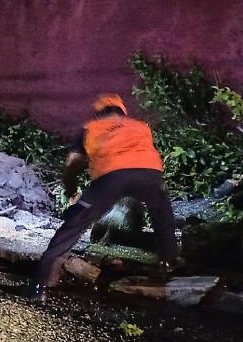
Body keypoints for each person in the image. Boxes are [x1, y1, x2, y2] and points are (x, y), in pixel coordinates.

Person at [24, 93, 181, 301]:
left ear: (99, 113)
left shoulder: (90, 128)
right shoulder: (140, 126)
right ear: (122, 111)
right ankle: (171, 267)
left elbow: (73, 164)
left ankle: (38, 287)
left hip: (111, 177)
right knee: (163, 218)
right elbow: (139, 158)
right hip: (150, 175)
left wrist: (71, 192)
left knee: (73, 226)